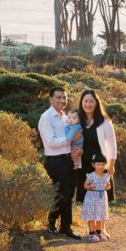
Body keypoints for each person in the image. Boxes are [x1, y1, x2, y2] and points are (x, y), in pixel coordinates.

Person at [37, 87, 82, 240]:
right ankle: (51, 221)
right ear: (50, 99)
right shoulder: (46, 117)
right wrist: (69, 140)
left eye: (64, 98)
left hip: (69, 159)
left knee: (69, 193)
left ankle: (65, 226)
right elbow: (49, 142)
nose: (62, 101)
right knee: (62, 193)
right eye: (58, 97)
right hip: (55, 160)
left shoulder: (66, 117)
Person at [75, 89, 117, 239]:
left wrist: (111, 165)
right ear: (81, 102)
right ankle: (91, 230)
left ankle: (102, 229)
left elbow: (112, 144)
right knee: (89, 197)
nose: (88, 104)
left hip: (101, 164)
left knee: (102, 195)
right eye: (85, 101)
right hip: (84, 164)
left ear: (96, 103)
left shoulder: (104, 121)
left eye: (91, 101)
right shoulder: (77, 119)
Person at [82, 153, 111, 242]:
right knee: (92, 215)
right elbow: (85, 185)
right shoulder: (91, 175)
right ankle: (92, 233)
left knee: (100, 216)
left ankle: (99, 232)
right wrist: (90, 187)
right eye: (98, 164)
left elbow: (107, 187)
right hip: (91, 198)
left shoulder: (106, 176)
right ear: (93, 165)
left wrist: (107, 186)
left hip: (101, 199)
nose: (100, 167)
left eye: (103, 164)